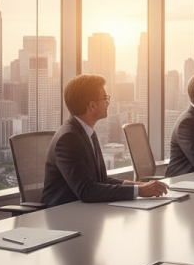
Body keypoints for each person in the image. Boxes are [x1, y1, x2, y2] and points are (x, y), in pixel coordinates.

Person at [41, 74, 167, 206]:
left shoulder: (87, 132)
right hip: (63, 216)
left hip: (85, 211)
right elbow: (86, 190)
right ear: (92, 106)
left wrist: (138, 185)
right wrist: (139, 191)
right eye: (105, 98)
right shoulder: (68, 139)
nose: (108, 102)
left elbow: (100, 180)